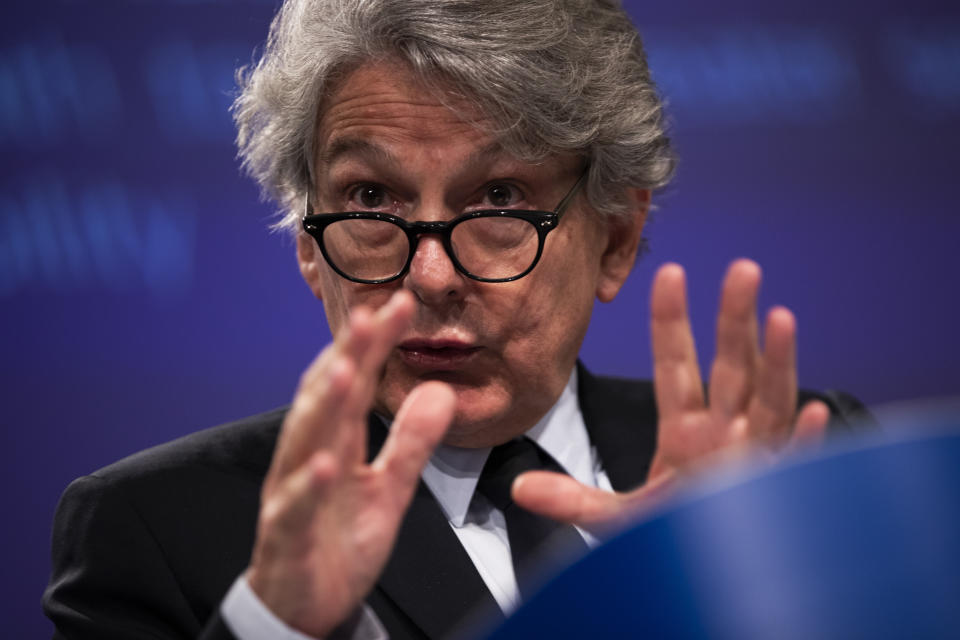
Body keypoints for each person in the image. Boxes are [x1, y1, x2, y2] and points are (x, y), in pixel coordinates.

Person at [43, 1, 869, 639]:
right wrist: (280, 624)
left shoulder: (793, 470)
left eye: (500, 198)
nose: (429, 274)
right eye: (370, 199)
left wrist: (747, 586)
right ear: (309, 249)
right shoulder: (153, 532)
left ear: (615, 239)